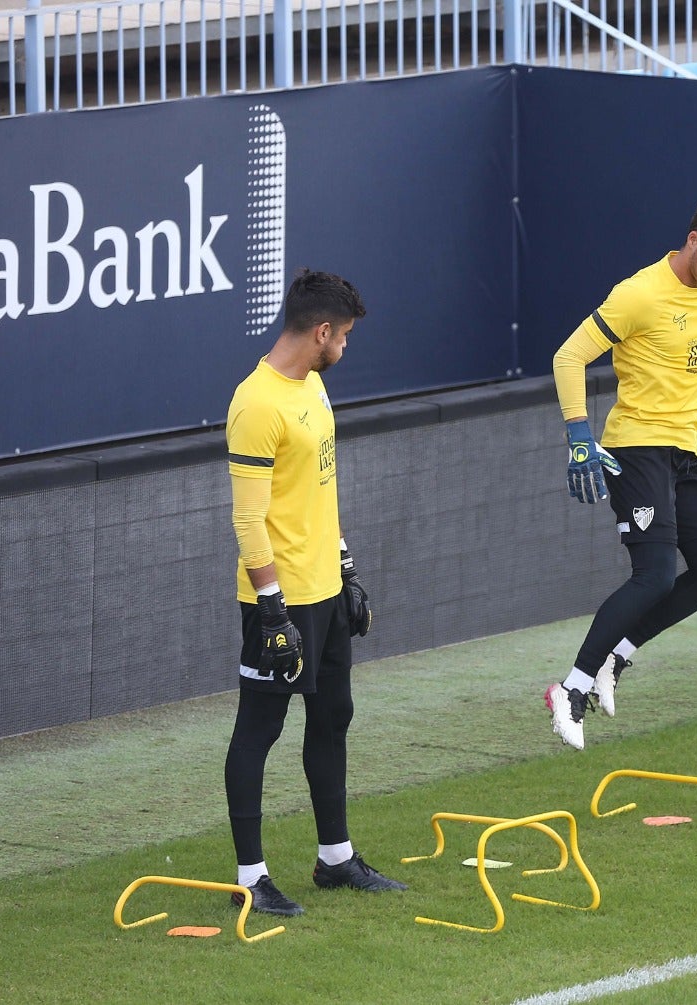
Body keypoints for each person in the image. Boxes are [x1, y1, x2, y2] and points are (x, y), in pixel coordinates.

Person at [222, 269, 405, 915]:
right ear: (321, 330)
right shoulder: (256, 403)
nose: (346, 347)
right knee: (259, 728)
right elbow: (249, 519)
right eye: (345, 335)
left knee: (332, 717)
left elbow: (319, 491)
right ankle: (251, 877)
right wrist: (271, 607)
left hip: (325, 589)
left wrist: (346, 568)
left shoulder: (316, 387)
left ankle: (335, 859)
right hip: (280, 598)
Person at [543, 196, 697, 750]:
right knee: (655, 574)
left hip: (686, 448)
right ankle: (571, 688)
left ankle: (618, 655)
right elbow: (568, 357)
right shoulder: (638, 294)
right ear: (692, 241)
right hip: (635, 447)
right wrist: (578, 435)